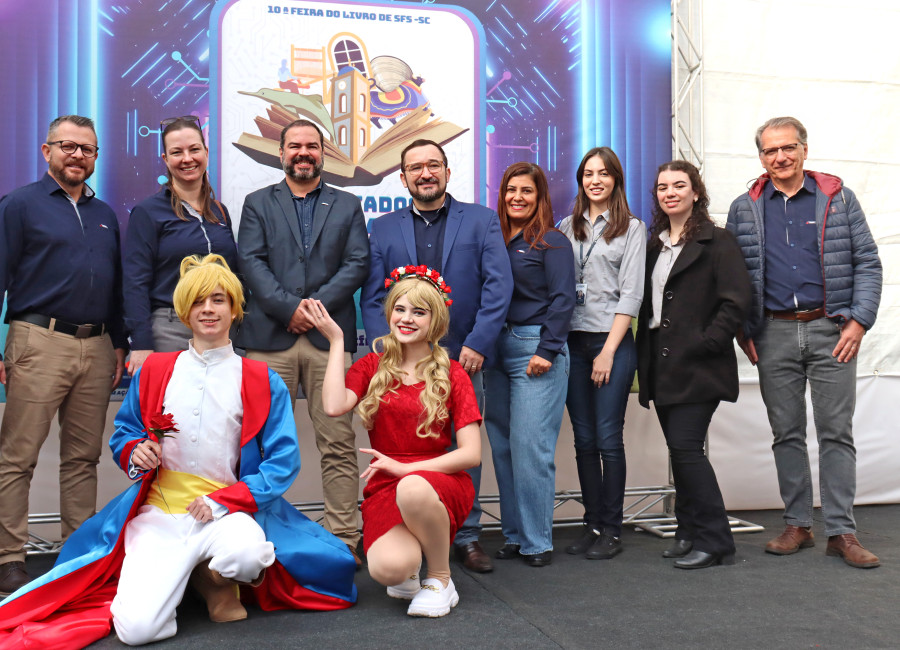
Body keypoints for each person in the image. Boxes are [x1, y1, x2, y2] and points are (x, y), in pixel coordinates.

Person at [0, 255, 357, 647]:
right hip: (159, 515)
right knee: (137, 631)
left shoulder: (260, 378)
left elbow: (282, 461)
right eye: (198, 301)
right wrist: (135, 452)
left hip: (225, 512)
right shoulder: (155, 369)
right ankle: (189, 581)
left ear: (235, 309)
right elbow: (126, 432)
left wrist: (223, 503)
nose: (208, 309)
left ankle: (212, 578)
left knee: (249, 556)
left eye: (219, 300)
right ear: (185, 312)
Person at [726, 117, 883, 569]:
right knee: (786, 434)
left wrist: (859, 322)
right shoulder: (745, 207)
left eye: (788, 148)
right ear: (761, 157)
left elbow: (868, 264)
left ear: (804, 150)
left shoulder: (839, 198)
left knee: (837, 433)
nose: (780, 157)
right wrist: (744, 332)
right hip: (772, 332)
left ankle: (842, 532)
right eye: (770, 151)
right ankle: (798, 524)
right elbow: (734, 278)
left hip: (832, 331)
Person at [360, 139, 513, 573]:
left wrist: (479, 342)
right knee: (409, 445)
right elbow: (372, 297)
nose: (425, 173)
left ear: (447, 171)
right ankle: (407, 530)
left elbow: (497, 286)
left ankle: (465, 535)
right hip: (402, 360)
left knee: (464, 447)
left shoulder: (481, 221)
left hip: (464, 356)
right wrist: (385, 350)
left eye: (433, 165)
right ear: (402, 177)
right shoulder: (384, 227)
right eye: (415, 167)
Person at [0, 115, 128, 596]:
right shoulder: (19, 205)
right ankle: (10, 558)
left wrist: (119, 341)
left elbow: (115, 286)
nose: (77, 155)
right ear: (46, 150)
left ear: (96, 157)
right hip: (38, 340)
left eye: (87, 149)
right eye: (68, 146)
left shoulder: (106, 214)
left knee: (82, 457)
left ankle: (78, 553)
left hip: (96, 347)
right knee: (17, 458)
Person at [306, 269, 481, 617]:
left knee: (413, 488)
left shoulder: (452, 372)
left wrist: (406, 469)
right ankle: (412, 564)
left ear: (435, 319)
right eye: (400, 309)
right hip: (386, 484)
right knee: (388, 570)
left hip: (438, 482)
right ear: (389, 314)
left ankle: (442, 579)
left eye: (419, 311)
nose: (406, 318)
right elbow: (332, 405)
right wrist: (337, 342)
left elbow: (471, 454)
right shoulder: (372, 365)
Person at [238, 118, 369, 563]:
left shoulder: (347, 205)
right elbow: (250, 263)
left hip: (327, 341)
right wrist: (287, 309)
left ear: (323, 153)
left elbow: (357, 264)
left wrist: (309, 310)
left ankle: (344, 538)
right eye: (295, 146)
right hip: (267, 338)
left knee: (337, 440)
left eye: (311, 146)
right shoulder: (257, 203)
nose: (303, 153)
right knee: (258, 445)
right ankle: (253, 537)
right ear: (281, 153)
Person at [636, 160, 751, 569]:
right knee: (679, 449)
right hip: (660, 364)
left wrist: (709, 342)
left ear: (695, 192)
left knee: (686, 450)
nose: (670, 192)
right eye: (663, 186)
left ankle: (717, 540)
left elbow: (736, 301)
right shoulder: (651, 246)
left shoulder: (718, 241)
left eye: (679, 185)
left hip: (699, 366)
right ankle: (687, 530)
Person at [484, 163, 575, 567]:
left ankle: (538, 541)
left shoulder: (552, 242)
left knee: (530, 449)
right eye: (510, 190)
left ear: (540, 198)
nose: (517, 197)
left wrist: (548, 349)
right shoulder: (494, 240)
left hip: (535, 349)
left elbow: (563, 300)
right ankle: (515, 536)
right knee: (503, 448)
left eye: (527, 191)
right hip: (494, 350)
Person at [558, 147, 646, 560]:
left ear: (616, 180)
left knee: (609, 438)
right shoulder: (564, 227)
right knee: (584, 439)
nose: (595, 180)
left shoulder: (632, 229)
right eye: (588, 173)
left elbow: (631, 294)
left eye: (604, 173)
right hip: (572, 343)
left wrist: (608, 352)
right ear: (581, 180)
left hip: (611, 342)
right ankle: (591, 524)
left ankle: (612, 528)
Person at [124, 116, 238, 375]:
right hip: (170, 329)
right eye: (177, 152)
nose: (187, 158)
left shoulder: (219, 212)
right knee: (171, 413)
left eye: (194, 149)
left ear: (206, 153)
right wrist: (141, 343)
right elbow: (135, 282)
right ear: (166, 159)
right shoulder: (147, 212)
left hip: (220, 328)